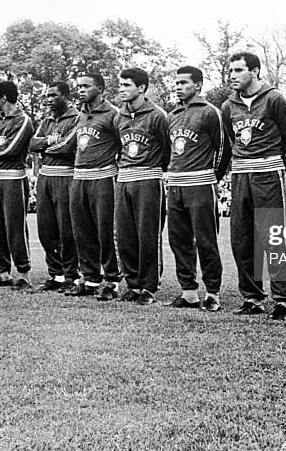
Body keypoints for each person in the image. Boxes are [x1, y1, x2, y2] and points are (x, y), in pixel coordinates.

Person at [220, 51, 286, 320]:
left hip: (269, 173)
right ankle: (251, 297)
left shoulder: (274, 98)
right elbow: (232, 140)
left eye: (238, 70)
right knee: (242, 238)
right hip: (241, 175)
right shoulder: (228, 106)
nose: (232, 76)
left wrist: (273, 163)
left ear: (254, 71)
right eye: (231, 71)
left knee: (274, 236)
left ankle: (283, 299)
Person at [164, 66, 231, 311]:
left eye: (184, 82)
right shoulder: (172, 115)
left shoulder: (210, 112)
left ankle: (212, 293)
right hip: (176, 185)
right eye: (177, 82)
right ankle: (189, 292)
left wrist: (213, 176)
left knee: (206, 240)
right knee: (179, 240)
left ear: (198, 85)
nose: (178, 86)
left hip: (201, 184)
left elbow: (224, 148)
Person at [114, 68, 171, 305]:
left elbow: (167, 149)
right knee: (125, 235)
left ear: (141, 88)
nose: (122, 89)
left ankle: (149, 287)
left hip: (148, 178)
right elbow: (120, 147)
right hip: (124, 178)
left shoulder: (157, 115)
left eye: (127, 85)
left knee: (147, 233)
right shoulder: (119, 117)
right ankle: (133, 284)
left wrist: (156, 169)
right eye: (121, 85)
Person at [64, 72, 122, 300]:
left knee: (105, 231)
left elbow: (123, 144)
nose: (81, 90)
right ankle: (89, 278)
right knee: (82, 231)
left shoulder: (113, 114)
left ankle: (112, 281)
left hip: (103, 177)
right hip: (79, 178)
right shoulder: (80, 116)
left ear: (100, 88)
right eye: (78, 86)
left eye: (86, 86)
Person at [0, 81, 35, 289]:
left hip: (13, 178)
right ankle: (3, 272)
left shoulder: (23, 120)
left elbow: (10, 150)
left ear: (3, 97)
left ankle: (23, 273)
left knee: (14, 226)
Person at [29, 82, 80, 292]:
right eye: (47, 96)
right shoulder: (47, 120)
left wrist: (46, 145)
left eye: (54, 96)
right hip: (45, 178)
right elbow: (32, 144)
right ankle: (55, 274)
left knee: (66, 229)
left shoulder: (76, 118)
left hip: (65, 177)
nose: (49, 99)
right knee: (46, 228)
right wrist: (48, 142)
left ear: (66, 96)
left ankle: (71, 275)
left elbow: (68, 146)